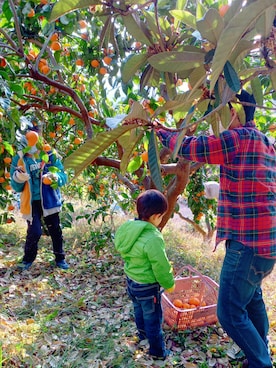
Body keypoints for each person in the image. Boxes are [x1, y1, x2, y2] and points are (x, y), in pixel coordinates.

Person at [156, 90, 276, 368]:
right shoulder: (266, 143)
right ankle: (259, 354)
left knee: (229, 312)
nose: (218, 120)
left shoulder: (239, 138)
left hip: (247, 243)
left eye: (221, 111)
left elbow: (193, 147)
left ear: (233, 112)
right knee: (252, 297)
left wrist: (159, 131)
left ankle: (261, 363)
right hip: (265, 243)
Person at [114, 189, 175, 360]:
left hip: (132, 281)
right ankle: (157, 352)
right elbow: (160, 266)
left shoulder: (128, 228)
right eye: (161, 216)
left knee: (138, 309)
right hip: (148, 286)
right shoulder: (152, 237)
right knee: (153, 318)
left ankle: (143, 337)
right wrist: (169, 283)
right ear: (156, 216)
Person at [10, 126, 69, 271]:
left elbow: (63, 175)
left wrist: (54, 177)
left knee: (55, 229)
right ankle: (27, 259)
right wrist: (19, 178)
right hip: (31, 202)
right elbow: (16, 186)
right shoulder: (19, 158)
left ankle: (60, 258)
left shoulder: (49, 154)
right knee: (34, 231)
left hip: (49, 199)